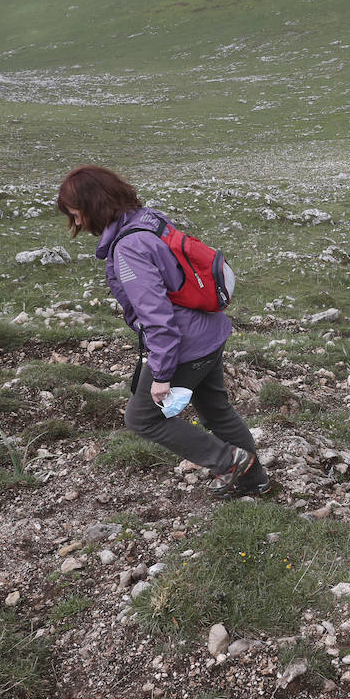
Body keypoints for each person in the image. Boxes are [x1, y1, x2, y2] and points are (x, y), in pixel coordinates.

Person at [57, 165, 269, 498]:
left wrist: (162, 374)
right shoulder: (148, 220)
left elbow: (157, 317)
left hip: (185, 344)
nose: (77, 223)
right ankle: (253, 481)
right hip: (208, 332)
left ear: (93, 205)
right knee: (217, 411)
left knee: (143, 418)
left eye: (76, 214)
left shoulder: (128, 249)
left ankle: (227, 462)